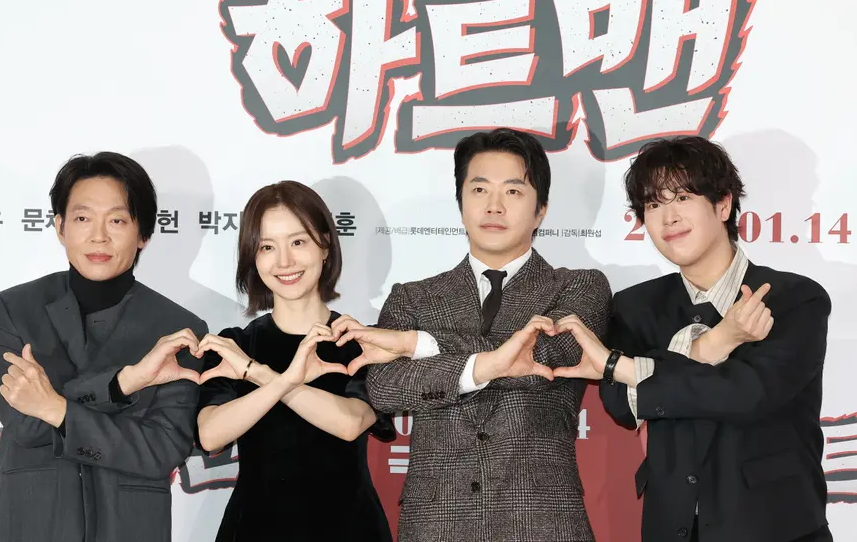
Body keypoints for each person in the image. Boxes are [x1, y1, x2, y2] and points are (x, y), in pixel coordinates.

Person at [332, 128, 612, 542]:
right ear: (461, 203)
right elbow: (386, 388)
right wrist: (493, 362)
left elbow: (548, 353)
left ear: (541, 210)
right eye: (479, 189)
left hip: (543, 520)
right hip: (435, 523)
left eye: (513, 191)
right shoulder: (412, 297)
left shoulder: (579, 287)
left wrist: (417, 345)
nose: (494, 205)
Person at [555, 136, 832, 542]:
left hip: (777, 526)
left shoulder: (792, 298)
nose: (668, 218)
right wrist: (718, 342)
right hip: (673, 525)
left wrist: (622, 367)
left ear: (723, 205)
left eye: (683, 198)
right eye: (653, 204)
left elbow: (747, 393)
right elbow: (621, 404)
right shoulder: (635, 306)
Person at [0, 152, 208, 542]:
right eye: (83, 218)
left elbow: (162, 449)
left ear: (143, 233)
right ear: (60, 226)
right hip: (32, 527)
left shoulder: (178, 330)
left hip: (129, 529)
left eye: (117, 220)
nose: (98, 236)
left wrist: (55, 407)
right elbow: (25, 424)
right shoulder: (12, 311)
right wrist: (122, 384)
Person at [194, 180, 395, 542]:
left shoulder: (362, 342)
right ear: (253, 257)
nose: (284, 261)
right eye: (267, 247)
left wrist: (259, 374)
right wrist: (283, 379)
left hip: (349, 528)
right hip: (255, 528)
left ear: (325, 245)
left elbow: (350, 422)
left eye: (298, 242)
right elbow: (211, 434)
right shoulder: (235, 345)